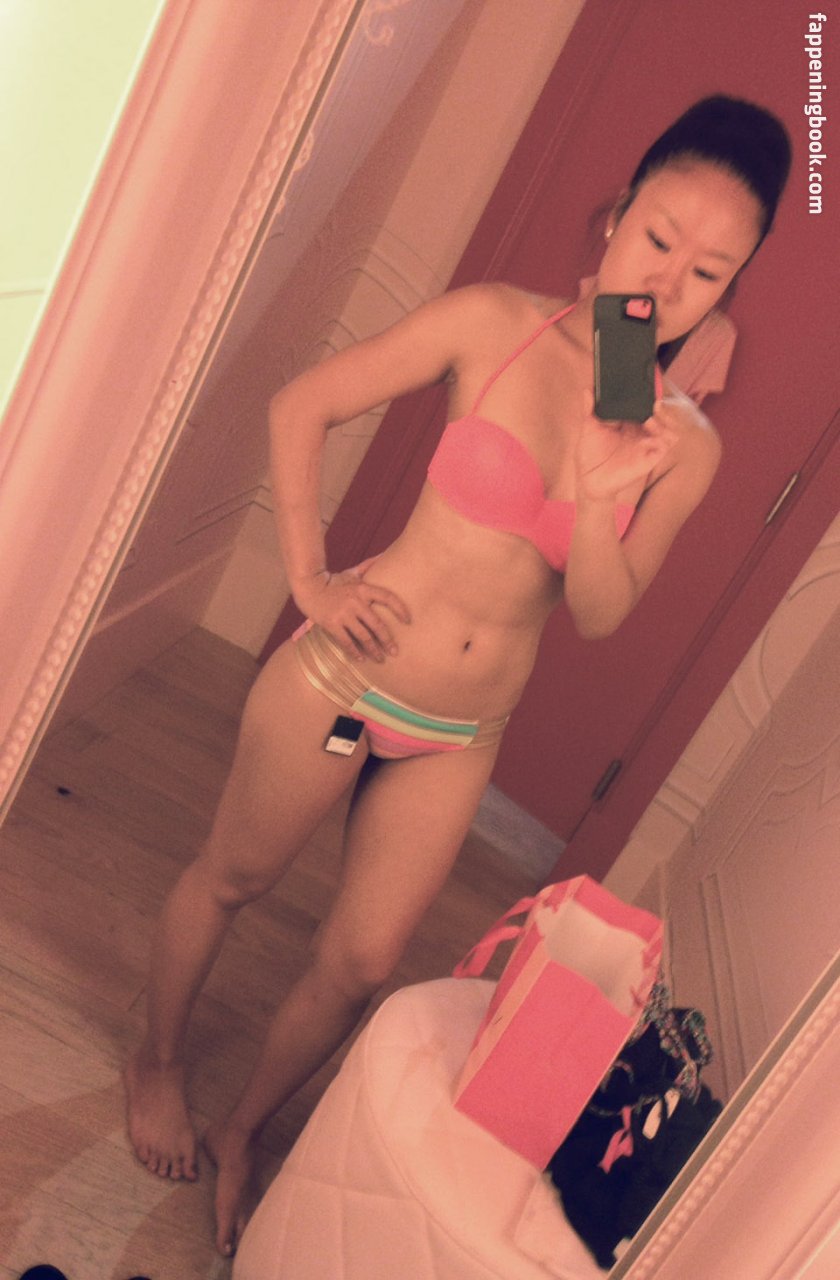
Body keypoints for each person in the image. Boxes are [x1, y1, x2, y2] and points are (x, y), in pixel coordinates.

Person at [123, 95, 790, 1255]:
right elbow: (303, 404)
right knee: (231, 876)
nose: (669, 281)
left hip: (460, 730)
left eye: (708, 272)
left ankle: (241, 1130)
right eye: (659, 237)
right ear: (615, 217)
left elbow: (598, 611)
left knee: (362, 960)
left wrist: (599, 489)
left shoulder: (682, 444)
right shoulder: (494, 322)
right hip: (348, 674)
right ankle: (157, 1062)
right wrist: (310, 575)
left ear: (728, 290)